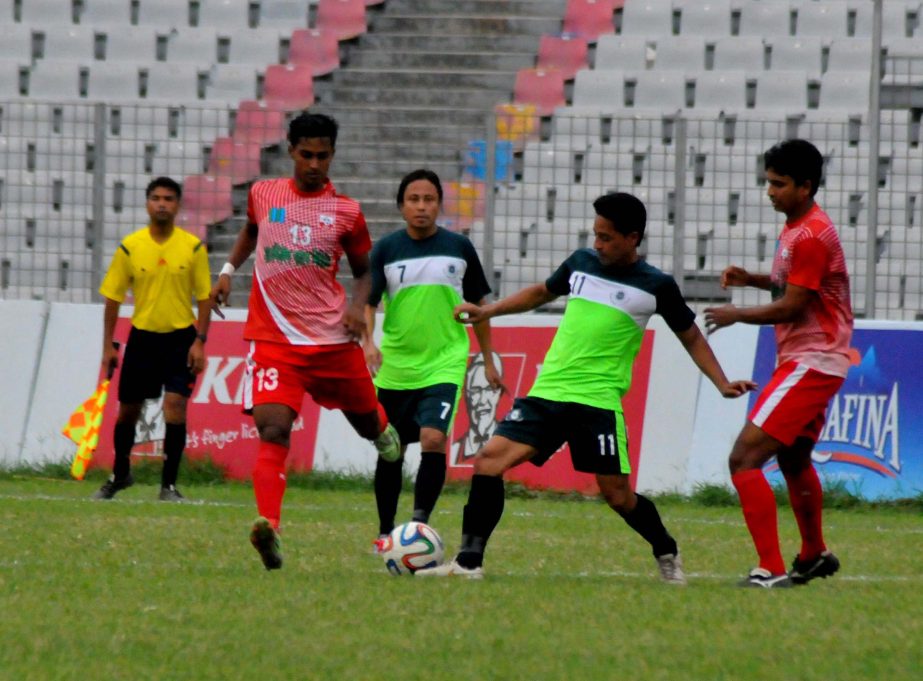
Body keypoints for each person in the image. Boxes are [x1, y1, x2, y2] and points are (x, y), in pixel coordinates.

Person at [417, 192, 756, 582]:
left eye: (607, 237)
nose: (597, 244)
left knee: (617, 496)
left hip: (597, 402)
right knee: (489, 461)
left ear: (633, 238)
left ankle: (665, 548)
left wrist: (722, 382)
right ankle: (468, 564)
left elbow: (692, 337)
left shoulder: (656, 285)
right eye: (595, 234)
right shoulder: (580, 264)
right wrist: (488, 309)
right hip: (549, 392)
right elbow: (542, 292)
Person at [210, 112, 402, 571]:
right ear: (291, 151)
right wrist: (226, 272)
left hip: (333, 341)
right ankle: (269, 528)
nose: (315, 164)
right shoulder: (264, 193)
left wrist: (359, 307)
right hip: (274, 339)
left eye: (324, 156)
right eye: (307, 155)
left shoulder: (347, 212)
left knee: (368, 426)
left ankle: (380, 425)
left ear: (332, 155)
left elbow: (363, 270)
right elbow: (252, 232)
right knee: (273, 428)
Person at [704, 139, 853, 589]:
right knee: (793, 457)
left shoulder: (809, 235)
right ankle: (812, 555)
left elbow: (793, 306)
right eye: (768, 182)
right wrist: (752, 279)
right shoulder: (798, 227)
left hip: (813, 359)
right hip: (814, 358)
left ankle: (769, 570)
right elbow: (796, 286)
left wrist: (735, 315)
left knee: (744, 458)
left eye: (779, 184)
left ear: (805, 186)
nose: (770, 191)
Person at [363, 169, 502, 549]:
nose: (421, 207)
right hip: (395, 364)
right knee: (391, 446)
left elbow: (480, 309)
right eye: (414, 200)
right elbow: (368, 304)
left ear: (439, 205)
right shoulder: (387, 250)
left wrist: (488, 360)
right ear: (401, 206)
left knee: (433, 437)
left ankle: (417, 527)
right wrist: (368, 344)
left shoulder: (459, 247)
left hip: (445, 359)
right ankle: (385, 530)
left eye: (429, 199)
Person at [93, 176, 212, 502]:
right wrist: (107, 345)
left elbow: (204, 297)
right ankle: (120, 474)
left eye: (169, 199)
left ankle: (168, 486)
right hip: (143, 339)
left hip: (180, 339)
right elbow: (113, 298)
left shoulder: (193, 247)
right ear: (147, 203)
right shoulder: (131, 246)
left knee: (176, 408)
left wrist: (200, 340)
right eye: (156, 198)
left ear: (178, 205)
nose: (162, 203)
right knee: (128, 411)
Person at [450, 351, 504, 466]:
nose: (482, 400)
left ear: (498, 394)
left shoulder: (508, 448)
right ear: (467, 394)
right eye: (476, 391)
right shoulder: (454, 451)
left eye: (490, 389)